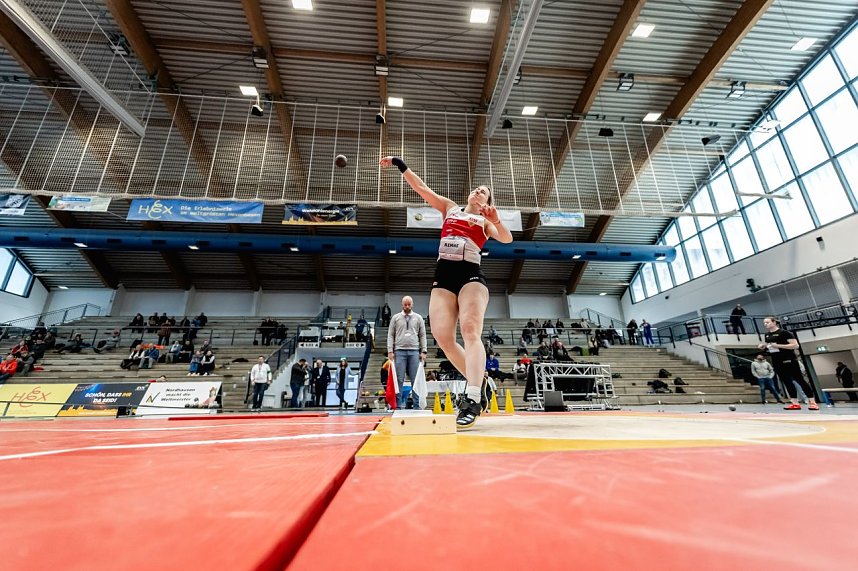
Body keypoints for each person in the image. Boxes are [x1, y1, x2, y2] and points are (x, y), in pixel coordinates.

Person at [381, 155, 513, 427]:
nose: (479, 191)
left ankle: (473, 397)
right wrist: (400, 163)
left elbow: (507, 238)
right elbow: (422, 189)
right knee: (443, 337)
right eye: (477, 188)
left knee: (470, 329)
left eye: (484, 192)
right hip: (443, 275)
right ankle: (482, 382)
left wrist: (497, 221)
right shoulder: (451, 209)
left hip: (471, 275)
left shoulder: (485, 222)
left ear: (486, 203)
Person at [757, 316, 818, 410]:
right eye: (764, 323)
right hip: (777, 360)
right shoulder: (767, 335)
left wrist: (778, 345)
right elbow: (771, 346)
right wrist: (764, 346)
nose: (765, 324)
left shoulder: (784, 332)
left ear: (774, 322)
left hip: (789, 359)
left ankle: (812, 402)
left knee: (799, 380)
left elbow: (795, 345)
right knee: (787, 381)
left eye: (767, 322)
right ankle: (794, 402)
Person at [387, 295, 428, 409]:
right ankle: (398, 406)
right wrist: (390, 350)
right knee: (399, 379)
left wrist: (424, 350)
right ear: (402, 304)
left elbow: (422, 335)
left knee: (415, 379)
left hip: (414, 351)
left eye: (409, 304)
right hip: (399, 351)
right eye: (405, 304)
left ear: (412, 304)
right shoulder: (395, 318)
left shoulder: (418, 318)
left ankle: (416, 405)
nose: (407, 306)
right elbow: (390, 335)